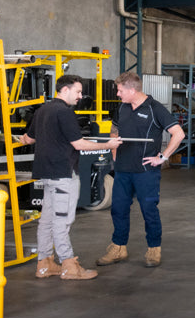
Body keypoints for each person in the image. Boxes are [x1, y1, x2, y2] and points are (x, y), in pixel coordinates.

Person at [20, 74, 122, 280]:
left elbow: (28, 139)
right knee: (62, 221)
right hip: (63, 174)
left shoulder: (42, 110)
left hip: (46, 173)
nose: (80, 96)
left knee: (47, 221)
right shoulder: (64, 112)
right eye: (77, 91)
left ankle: (45, 263)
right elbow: (79, 144)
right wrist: (108, 145)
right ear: (64, 90)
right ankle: (69, 265)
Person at [97, 72, 184, 268]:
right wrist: (114, 151)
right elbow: (114, 130)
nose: (118, 94)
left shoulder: (155, 108)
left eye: (120, 91)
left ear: (131, 90)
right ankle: (118, 248)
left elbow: (178, 134)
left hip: (145, 171)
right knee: (118, 210)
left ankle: (154, 249)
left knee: (149, 210)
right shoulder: (122, 107)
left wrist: (162, 157)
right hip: (122, 170)